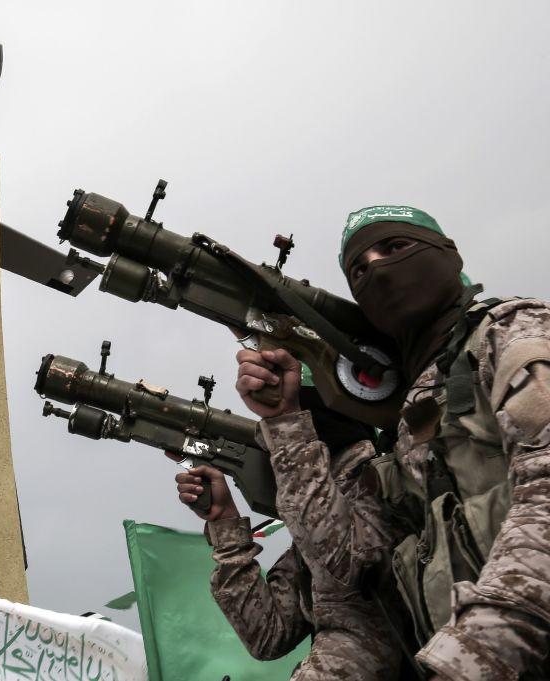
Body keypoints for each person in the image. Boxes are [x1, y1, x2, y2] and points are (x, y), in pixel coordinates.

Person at [228, 206, 550, 679]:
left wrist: (477, 655)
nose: (376, 268)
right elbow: (350, 563)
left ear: (447, 253)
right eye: (359, 269)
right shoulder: (411, 420)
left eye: (395, 248)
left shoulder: (513, 330)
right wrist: (286, 421)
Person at [175, 385, 407, 680]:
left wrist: (287, 434)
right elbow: (268, 634)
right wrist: (225, 522)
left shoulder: (380, 494)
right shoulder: (314, 539)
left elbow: (350, 570)